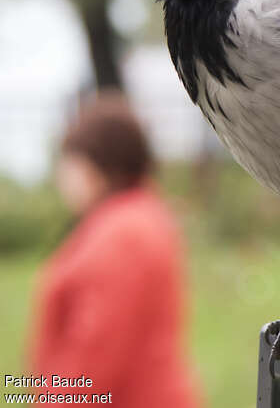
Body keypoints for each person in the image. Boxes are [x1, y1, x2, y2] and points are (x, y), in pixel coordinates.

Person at [28, 92, 202, 408]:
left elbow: (95, 356)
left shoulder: (122, 235)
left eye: (69, 162)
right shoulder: (134, 217)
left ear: (97, 163)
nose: (62, 177)